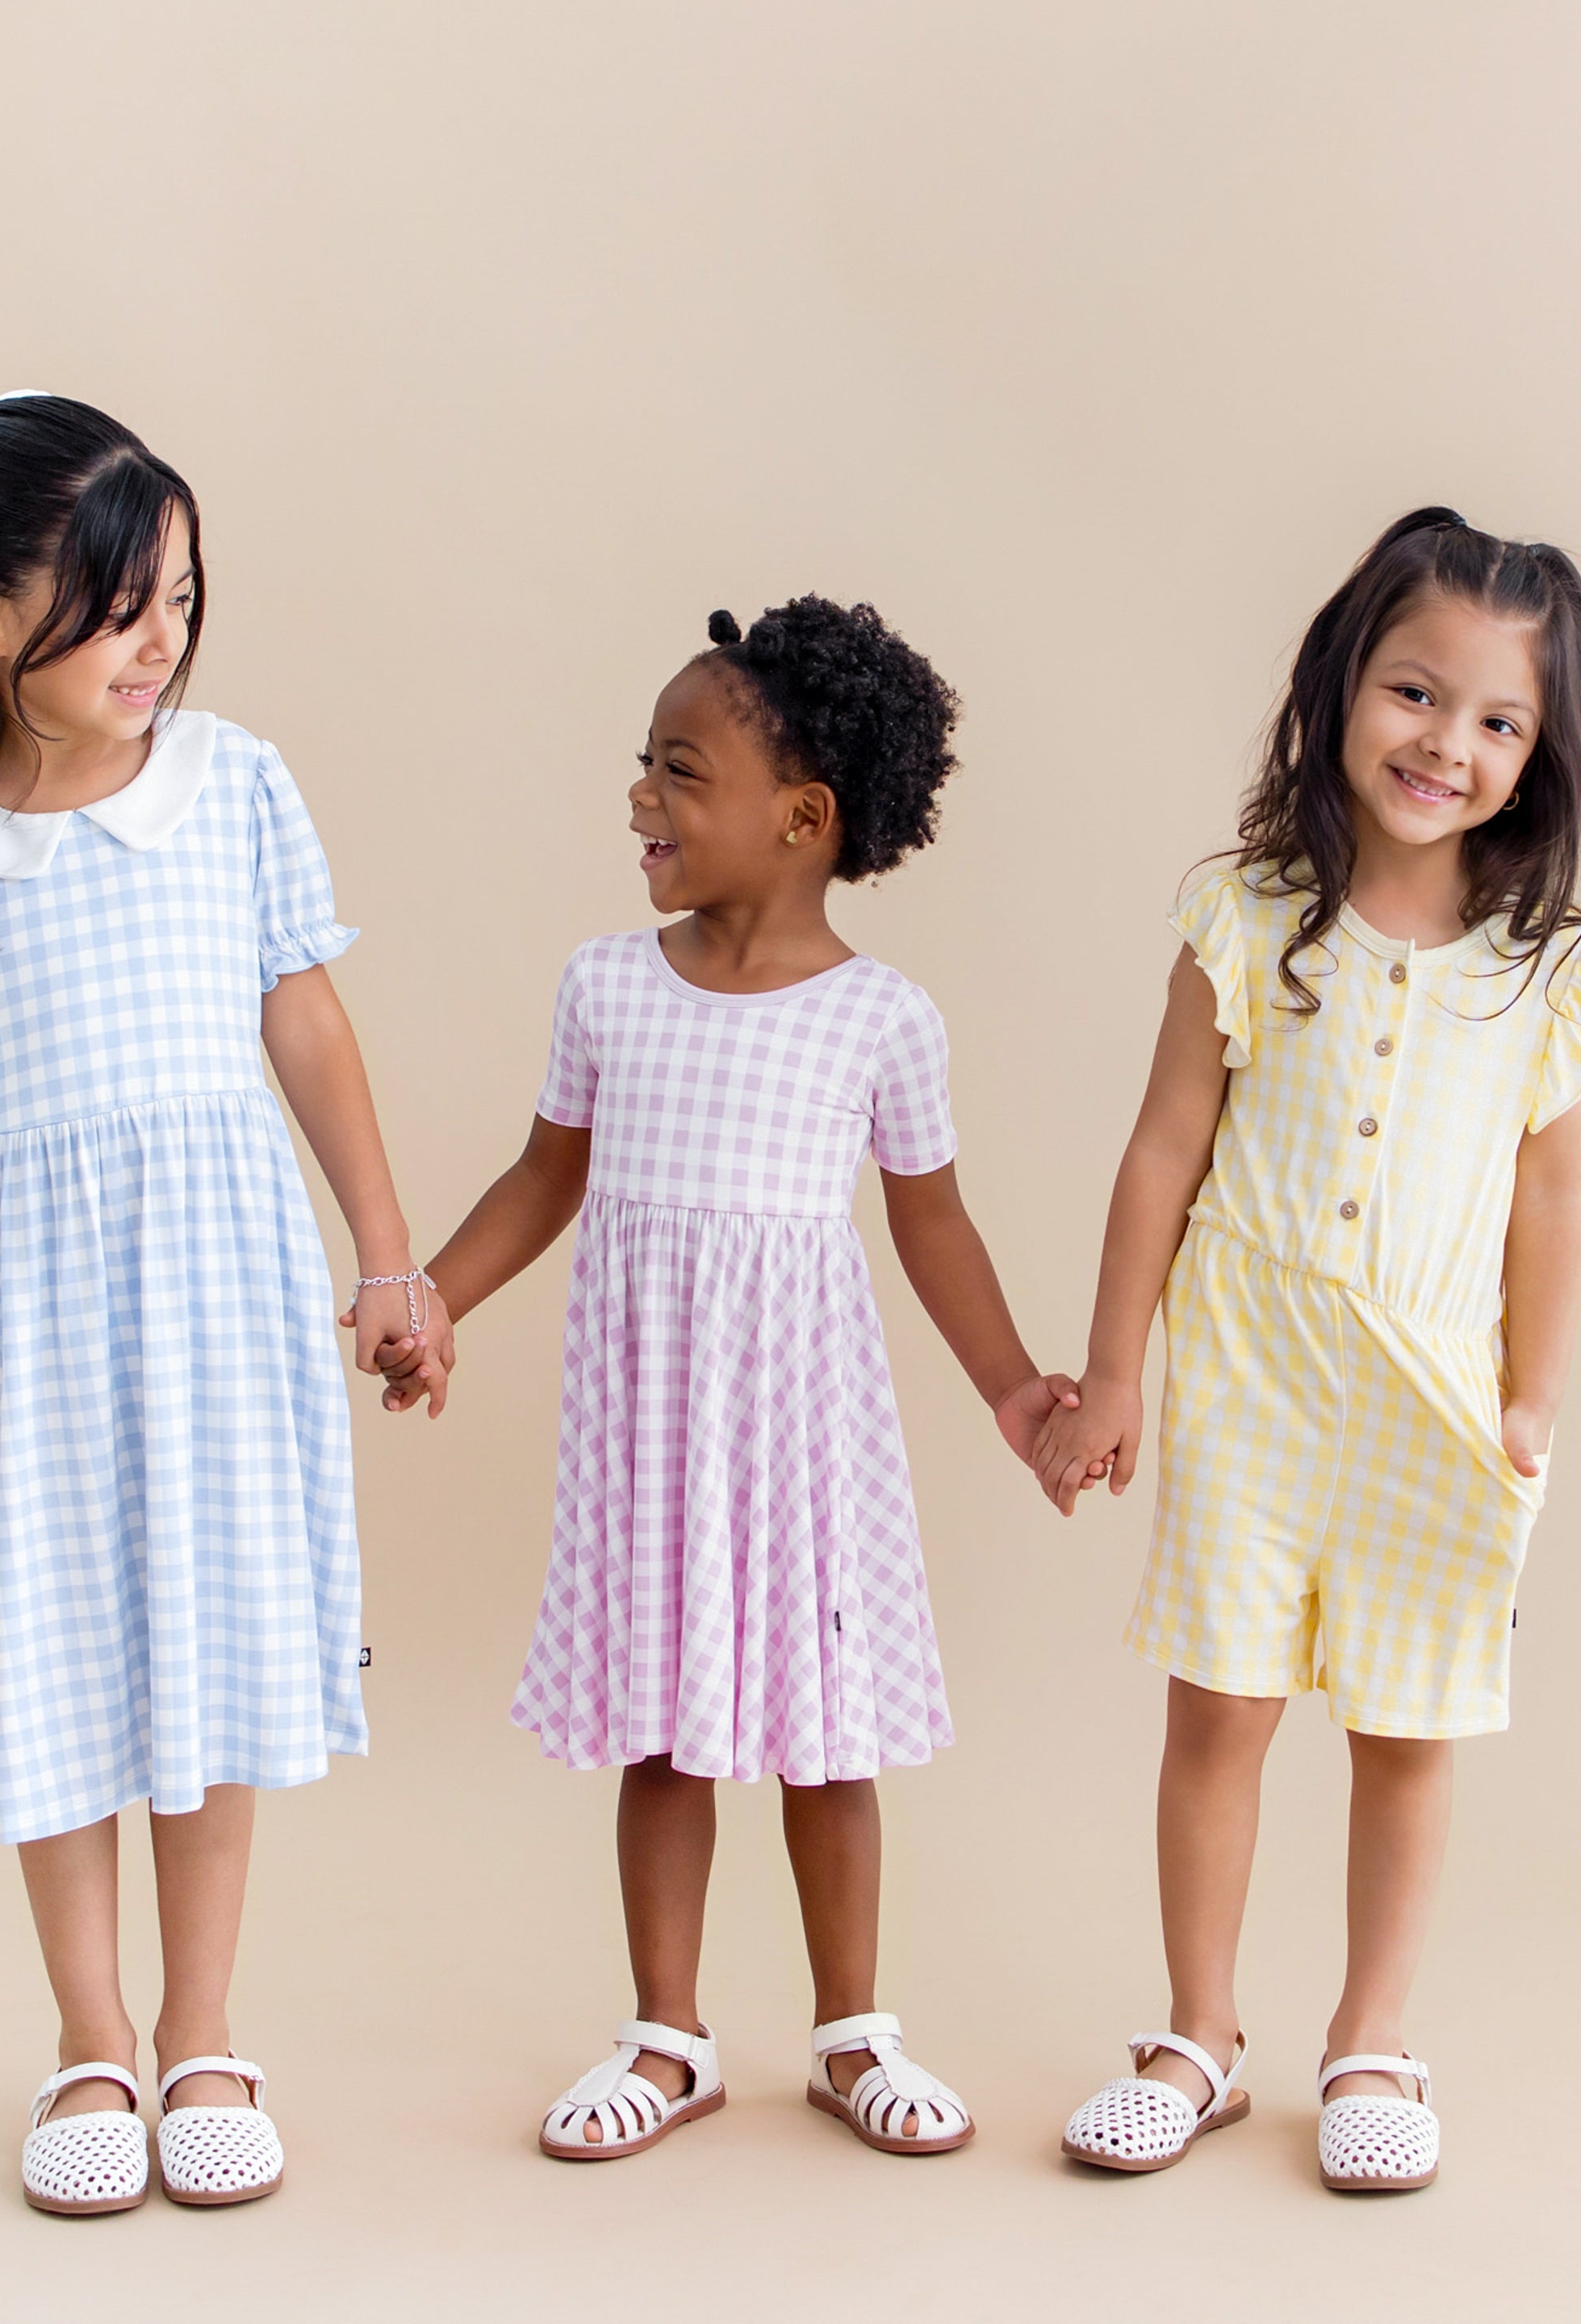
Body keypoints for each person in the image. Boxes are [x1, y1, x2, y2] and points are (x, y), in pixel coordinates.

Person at [0, 392, 450, 2214]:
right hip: (23, 1297)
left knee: (211, 1631)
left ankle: (203, 2032)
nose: (158, 637)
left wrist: (388, 1251)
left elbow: (303, 1016)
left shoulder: (234, 780)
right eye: (114, 605)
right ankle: (90, 2038)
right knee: (54, 1640)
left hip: (219, 1275)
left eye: (179, 594)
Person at [387, 599, 1074, 2160]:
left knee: (824, 1737)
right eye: (645, 764)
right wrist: (437, 1294)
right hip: (649, 1427)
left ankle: (852, 2033)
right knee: (663, 1727)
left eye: (679, 771)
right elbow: (543, 1176)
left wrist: (1017, 1388)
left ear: (803, 817)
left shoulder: (881, 1019)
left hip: (802, 1435)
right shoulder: (606, 988)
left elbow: (934, 1223)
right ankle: (667, 2037)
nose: (642, 797)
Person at [1035, 509, 1581, 2192]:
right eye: (1414, 693)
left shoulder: (1551, 982)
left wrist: (1530, 1403)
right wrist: (1113, 1373)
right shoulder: (1245, 920)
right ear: (1340, 688)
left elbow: (1555, 1207)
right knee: (1219, 1711)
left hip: (1430, 1394)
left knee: (1406, 1726)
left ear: (1542, 752)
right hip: (1246, 1368)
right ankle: (1198, 2034)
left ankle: (1371, 2038)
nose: (1447, 744)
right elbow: (1161, 1153)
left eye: (1498, 721)